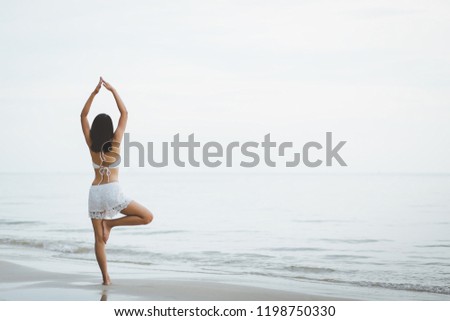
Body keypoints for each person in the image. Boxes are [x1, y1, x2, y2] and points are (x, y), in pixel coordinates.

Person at [80, 77, 153, 285]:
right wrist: (112, 91)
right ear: (110, 127)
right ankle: (111, 224)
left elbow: (83, 115)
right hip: (112, 191)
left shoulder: (91, 143)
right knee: (147, 217)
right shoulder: (116, 141)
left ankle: (106, 279)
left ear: (94, 129)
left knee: (98, 240)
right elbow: (125, 113)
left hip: (95, 192)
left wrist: (94, 94)